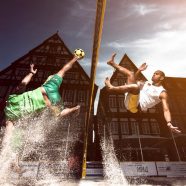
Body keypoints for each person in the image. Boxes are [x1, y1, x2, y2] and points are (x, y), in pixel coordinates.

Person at [2, 55, 82, 172]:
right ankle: (74, 108)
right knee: (58, 113)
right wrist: (75, 58)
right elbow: (65, 68)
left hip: (37, 100)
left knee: (11, 136)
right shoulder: (53, 83)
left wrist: (31, 74)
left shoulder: (12, 101)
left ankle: (9, 158)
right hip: (51, 95)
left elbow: (22, 84)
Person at [104, 53, 181, 134]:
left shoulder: (162, 92)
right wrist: (139, 70)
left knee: (136, 87)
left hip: (136, 108)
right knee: (131, 74)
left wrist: (169, 123)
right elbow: (133, 79)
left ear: (161, 78)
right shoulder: (147, 83)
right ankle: (112, 63)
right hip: (130, 97)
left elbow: (166, 109)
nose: (154, 74)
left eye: (156, 74)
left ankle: (111, 88)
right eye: (154, 73)